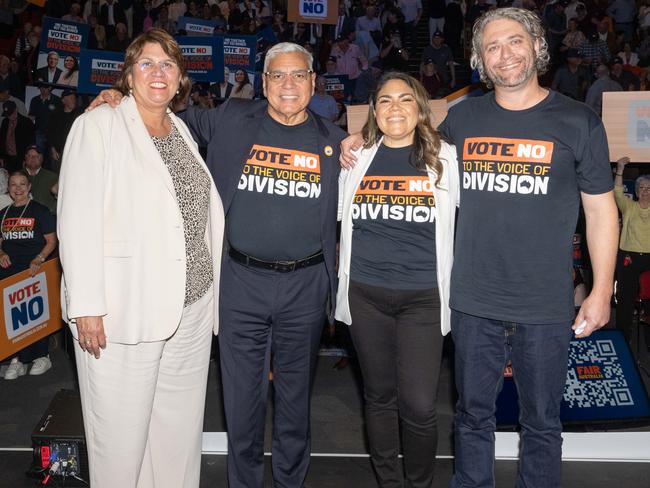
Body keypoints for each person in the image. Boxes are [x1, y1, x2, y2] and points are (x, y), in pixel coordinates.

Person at [341, 8, 619, 488]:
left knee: (542, 425)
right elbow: (403, 140)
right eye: (492, 47)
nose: (504, 54)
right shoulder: (462, 119)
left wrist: (599, 290)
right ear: (479, 60)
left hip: (544, 303)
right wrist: (356, 140)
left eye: (514, 42)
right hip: (472, 301)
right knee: (471, 418)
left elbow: (601, 212)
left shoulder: (578, 122)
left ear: (536, 46)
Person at [90, 41, 345, 488]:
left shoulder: (335, 143)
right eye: (278, 76)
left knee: (294, 403)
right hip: (240, 285)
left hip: (306, 287)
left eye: (299, 75)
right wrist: (118, 99)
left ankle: (290, 482)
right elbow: (157, 114)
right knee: (241, 403)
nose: (288, 84)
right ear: (263, 84)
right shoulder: (229, 119)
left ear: (313, 83)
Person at [57, 28, 225, 488]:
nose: (158, 72)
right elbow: (77, 218)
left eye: (168, 64)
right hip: (122, 312)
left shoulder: (183, 130)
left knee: (177, 437)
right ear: (129, 75)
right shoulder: (98, 125)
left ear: (180, 79)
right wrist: (87, 305)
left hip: (189, 310)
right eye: (147, 63)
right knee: (120, 441)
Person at [336, 71, 459, 488]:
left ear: (420, 108)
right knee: (378, 397)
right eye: (385, 101)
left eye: (405, 99)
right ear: (373, 110)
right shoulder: (356, 159)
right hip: (365, 296)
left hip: (423, 299)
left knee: (421, 405)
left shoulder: (446, 158)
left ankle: (419, 483)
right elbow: (337, 219)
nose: (395, 108)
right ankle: (389, 482)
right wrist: (346, 142)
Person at [1, 170, 57, 380]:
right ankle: (16, 358)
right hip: (9, 273)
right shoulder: (3, 214)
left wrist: (39, 259)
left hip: (33, 270)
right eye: (14, 184)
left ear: (29, 187)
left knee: (35, 315)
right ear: (8, 188)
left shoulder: (39, 211)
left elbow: (51, 241)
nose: (18, 188)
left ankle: (42, 356)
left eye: (22, 184)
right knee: (13, 316)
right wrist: (1, 253)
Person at [613, 157, 650, 342]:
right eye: (641, 188)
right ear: (636, 191)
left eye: (649, 188)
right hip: (629, 256)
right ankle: (622, 340)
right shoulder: (629, 207)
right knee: (625, 300)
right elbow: (618, 192)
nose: (645, 191)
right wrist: (620, 169)